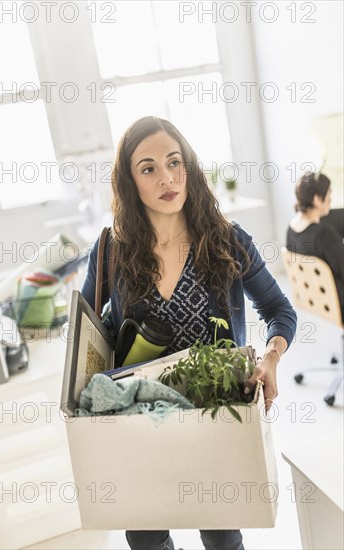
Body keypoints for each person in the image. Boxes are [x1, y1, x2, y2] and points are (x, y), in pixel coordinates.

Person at [82, 116, 297, 550]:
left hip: (214, 418)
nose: (166, 177)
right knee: (146, 538)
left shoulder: (227, 241)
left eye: (174, 162)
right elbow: (84, 334)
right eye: (148, 168)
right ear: (129, 182)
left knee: (222, 538)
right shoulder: (111, 251)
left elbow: (278, 309)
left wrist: (270, 358)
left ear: (189, 166)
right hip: (139, 423)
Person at [286, 171, 344, 321]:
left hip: (320, 300)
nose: (331, 199)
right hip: (339, 303)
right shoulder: (323, 233)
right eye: (329, 194)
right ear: (318, 199)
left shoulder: (291, 230)